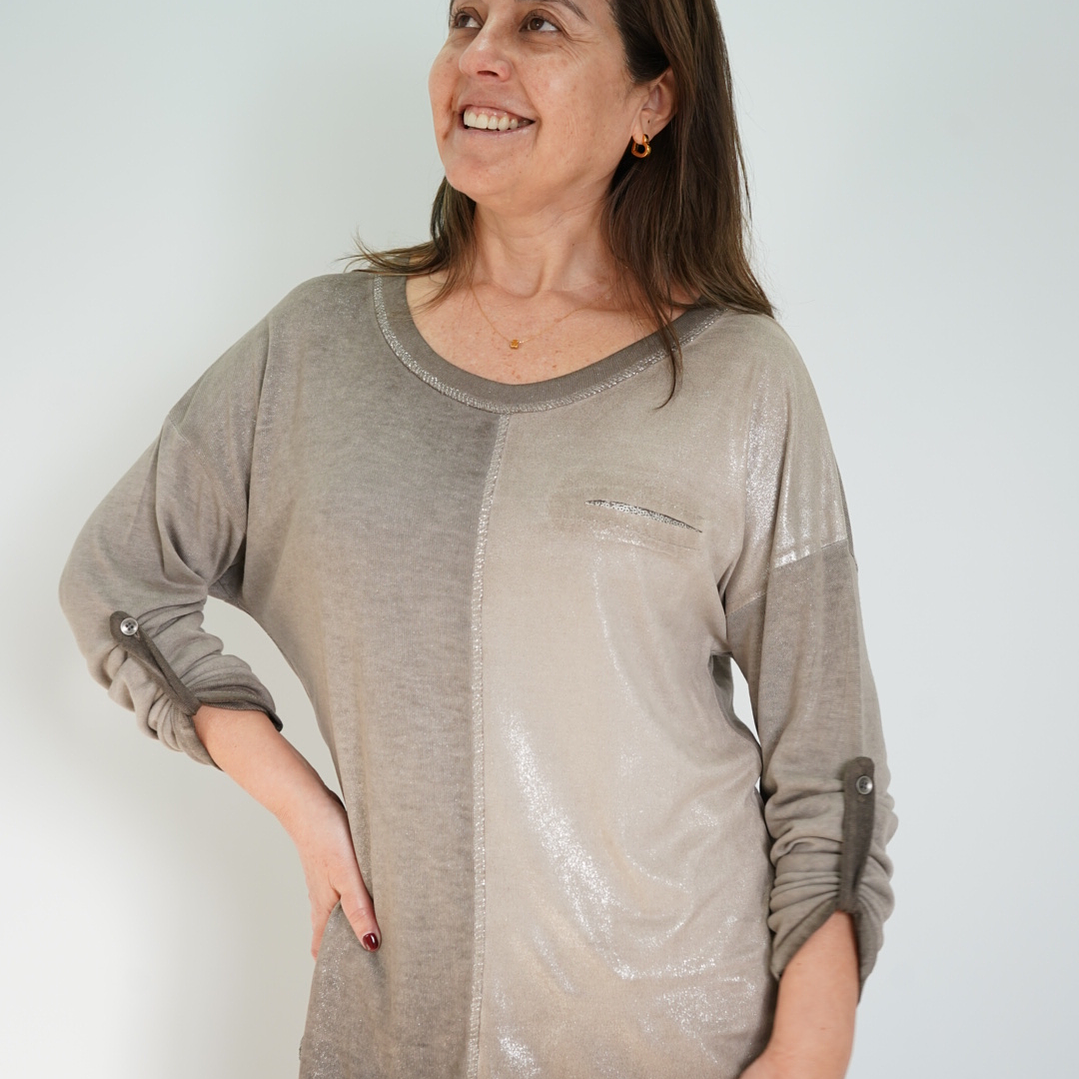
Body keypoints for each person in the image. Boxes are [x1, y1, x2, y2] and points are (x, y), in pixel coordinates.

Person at [59, 1, 895, 1076]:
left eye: (540, 24)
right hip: (394, 1031)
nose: (480, 55)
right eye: (464, 18)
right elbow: (118, 576)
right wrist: (299, 799)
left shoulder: (740, 378)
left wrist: (809, 1051)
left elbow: (829, 765)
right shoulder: (315, 350)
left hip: (678, 1036)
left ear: (652, 99)